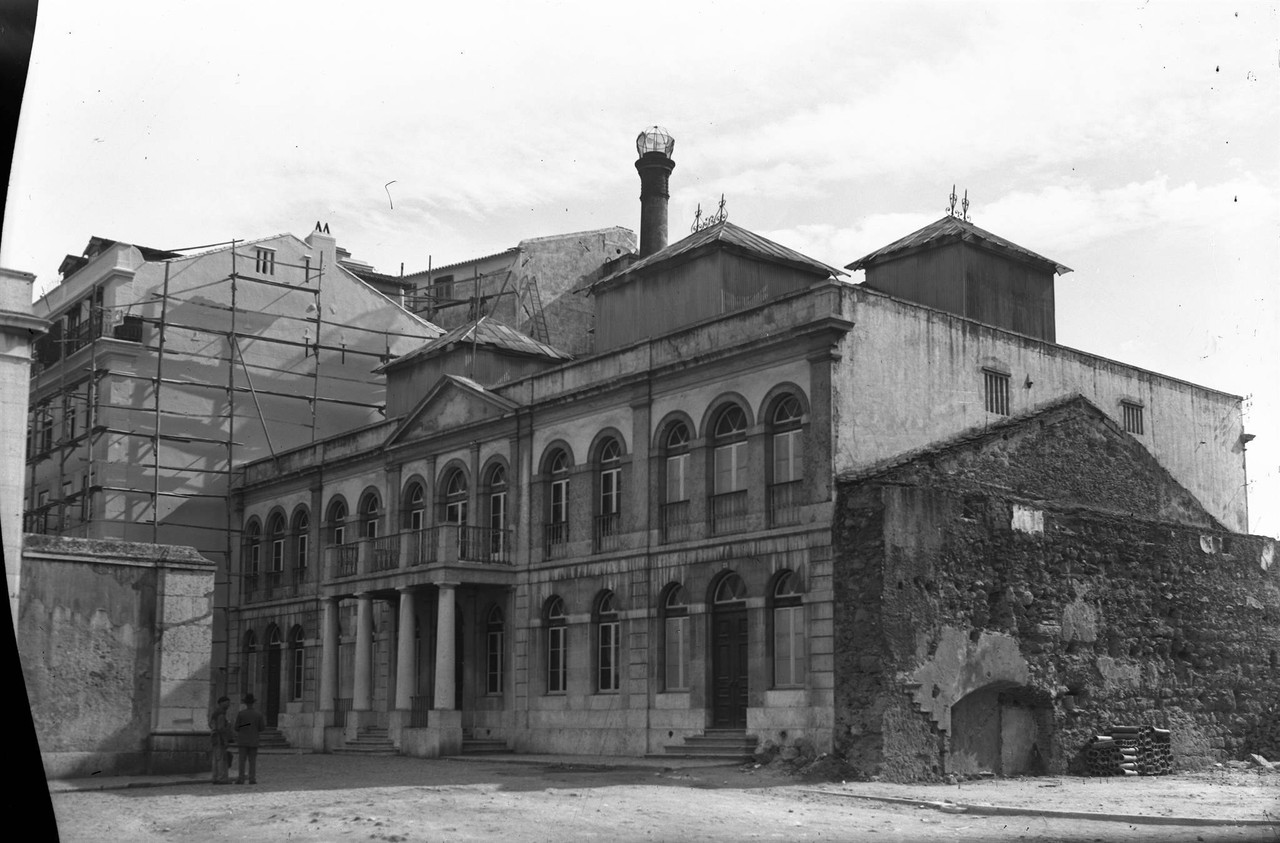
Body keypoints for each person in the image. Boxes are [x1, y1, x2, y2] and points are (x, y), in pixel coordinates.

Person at [233, 693, 266, 784]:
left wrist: (243, 726)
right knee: (252, 761)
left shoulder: (241, 714)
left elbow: (236, 727)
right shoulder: (258, 714)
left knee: (242, 761)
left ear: (245, 703)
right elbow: (262, 728)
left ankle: (241, 778)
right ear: (253, 703)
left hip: (243, 740)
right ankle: (252, 778)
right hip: (253, 740)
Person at [208, 696, 234, 784]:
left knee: (215, 759)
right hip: (220, 739)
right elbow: (221, 728)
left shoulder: (215, 713)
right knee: (221, 759)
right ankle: (221, 778)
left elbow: (210, 724)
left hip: (215, 738)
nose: (228, 704)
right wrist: (225, 740)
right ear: (221, 703)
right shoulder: (221, 714)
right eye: (227, 702)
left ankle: (215, 777)